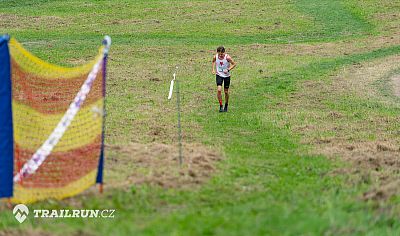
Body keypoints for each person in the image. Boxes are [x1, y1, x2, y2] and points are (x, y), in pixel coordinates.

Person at [212, 46, 236, 112]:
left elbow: (234, 64)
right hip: (219, 75)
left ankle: (226, 105)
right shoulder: (215, 56)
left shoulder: (227, 57)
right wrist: (213, 69)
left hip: (226, 76)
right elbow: (213, 62)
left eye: (222, 54)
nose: (220, 55)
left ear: (224, 52)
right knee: (219, 90)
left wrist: (228, 69)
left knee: (226, 92)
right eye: (219, 54)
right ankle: (220, 106)